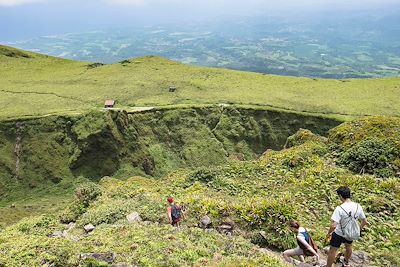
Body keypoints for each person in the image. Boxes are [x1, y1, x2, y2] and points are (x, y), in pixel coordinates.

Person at [325, 186, 368, 267]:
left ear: (341, 196)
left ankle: (328, 266)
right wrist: (358, 230)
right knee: (348, 246)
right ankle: (346, 261)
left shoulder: (339, 208)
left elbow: (334, 226)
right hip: (350, 232)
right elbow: (364, 221)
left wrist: (328, 234)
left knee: (333, 250)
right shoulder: (358, 206)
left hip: (339, 233)